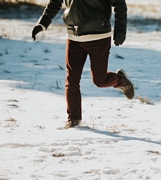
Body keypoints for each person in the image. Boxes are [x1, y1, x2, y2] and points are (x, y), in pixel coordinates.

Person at [32, 0, 135, 129]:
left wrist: (120, 28)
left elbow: (119, 3)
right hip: (74, 37)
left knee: (100, 80)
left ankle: (121, 81)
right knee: (72, 79)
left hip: (99, 36)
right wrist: (42, 23)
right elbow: (54, 2)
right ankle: (73, 120)